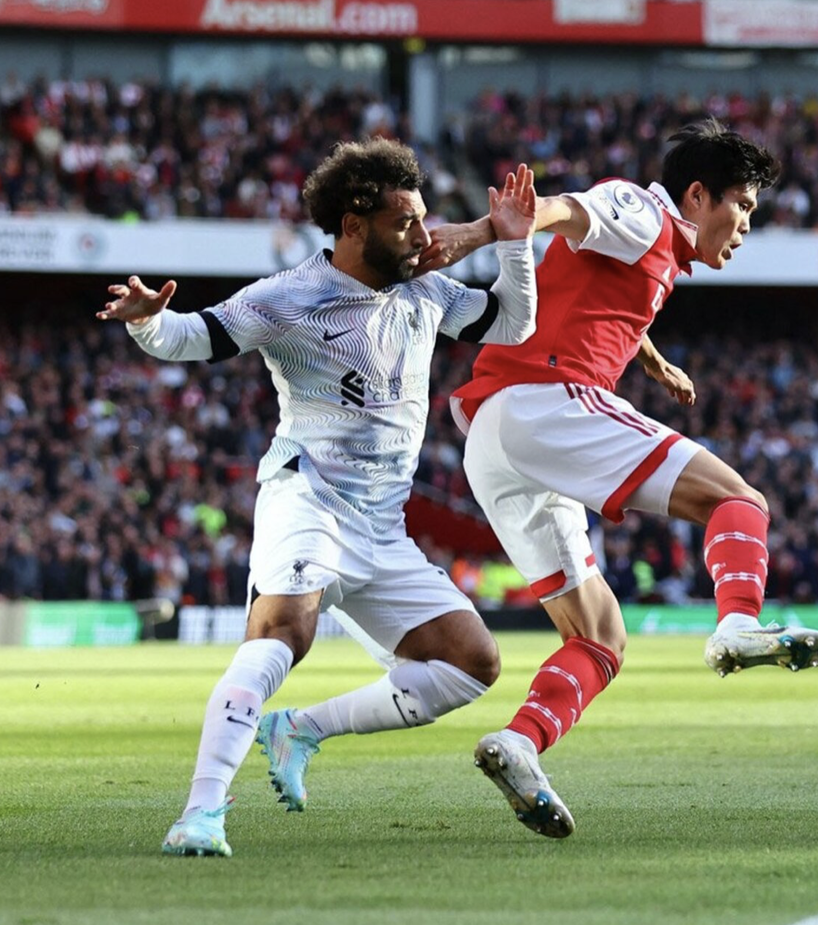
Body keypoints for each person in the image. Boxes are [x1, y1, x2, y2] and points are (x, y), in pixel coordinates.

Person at [98, 140, 540, 857]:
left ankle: (300, 729)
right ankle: (201, 812)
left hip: (383, 524)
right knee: (282, 635)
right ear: (354, 225)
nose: (423, 236)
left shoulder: (425, 288)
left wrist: (513, 244)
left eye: (422, 218)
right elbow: (194, 337)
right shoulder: (289, 296)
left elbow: (512, 324)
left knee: (472, 663)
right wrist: (149, 320)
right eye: (405, 222)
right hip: (309, 498)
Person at [445, 119, 818, 838]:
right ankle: (738, 624)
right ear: (698, 195)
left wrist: (653, 362)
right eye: (742, 205)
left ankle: (519, 743)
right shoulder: (642, 209)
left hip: (495, 440)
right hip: (547, 400)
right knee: (739, 501)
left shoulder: (656, 248)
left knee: (599, 638)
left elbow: (603, 285)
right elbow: (565, 212)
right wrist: (480, 234)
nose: (746, 225)